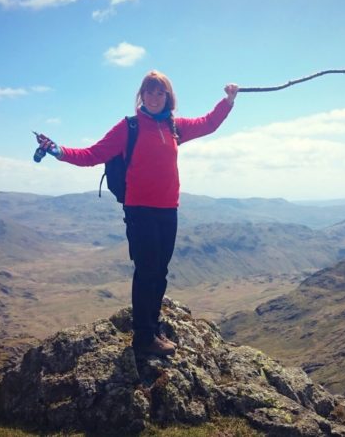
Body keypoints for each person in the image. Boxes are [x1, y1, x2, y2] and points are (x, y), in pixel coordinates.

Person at [37, 70, 238, 357]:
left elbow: (208, 123)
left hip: (169, 209)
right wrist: (59, 151)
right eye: (149, 91)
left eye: (160, 92)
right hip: (140, 210)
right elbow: (93, 154)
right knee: (146, 271)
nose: (155, 97)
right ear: (141, 95)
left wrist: (227, 101)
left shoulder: (174, 127)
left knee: (160, 272)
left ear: (167, 97)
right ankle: (143, 338)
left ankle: (152, 327)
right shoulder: (128, 127)